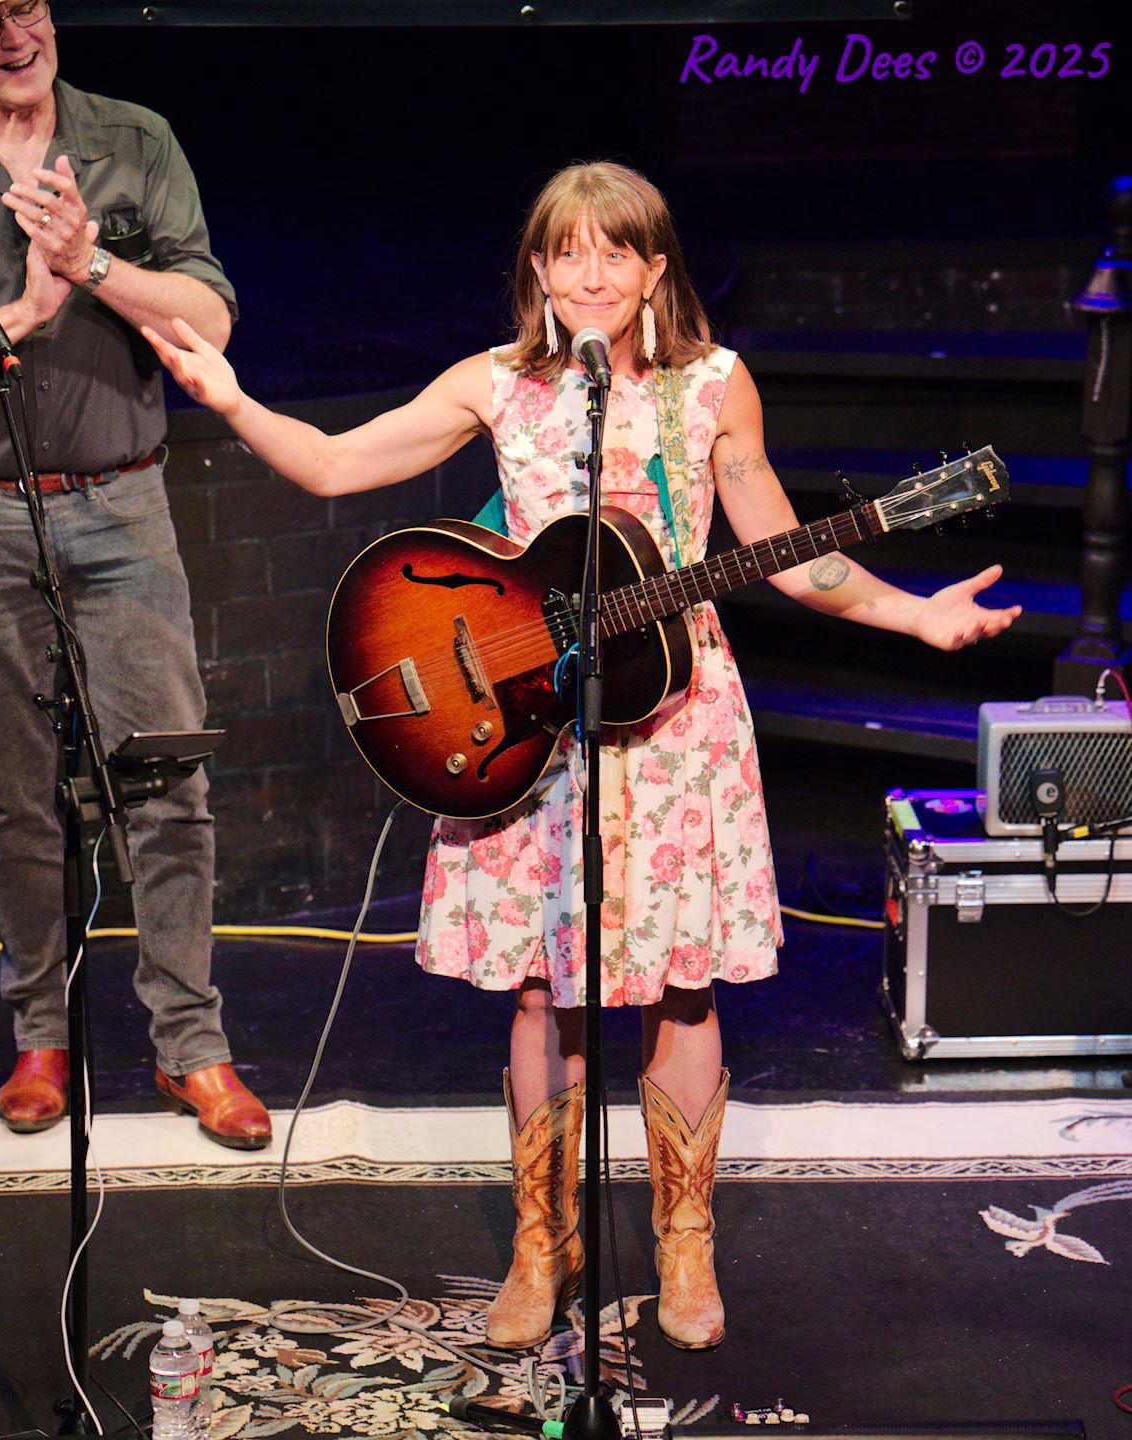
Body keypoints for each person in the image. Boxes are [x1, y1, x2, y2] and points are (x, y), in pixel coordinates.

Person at [144, 161, 1021, 1345]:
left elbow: (778, 545)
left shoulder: (714, 387)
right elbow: (341, 464)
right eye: (569, 251)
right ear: (540, 269)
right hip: (531, 723)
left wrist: (916, 612)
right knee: (541, 986)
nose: (592, 272)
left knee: (686, 980)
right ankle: (538, 1242)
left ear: (657, 268)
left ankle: (685, 1242)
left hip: (675, 728)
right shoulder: (497, 383)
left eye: (618, 251)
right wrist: (234, 398)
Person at [0, 0, 271, 1149]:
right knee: (13, 795)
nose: (14, 35)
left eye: (30, 9)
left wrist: (90, 262)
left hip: (123, 503)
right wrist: (21, 314)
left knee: (167, 785)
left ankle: (190, 1047)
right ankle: (41, 1033)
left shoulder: (132, 140)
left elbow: (210, 314)